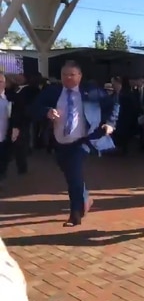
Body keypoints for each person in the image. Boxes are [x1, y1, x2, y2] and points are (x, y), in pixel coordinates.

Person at [33, 60, 119, 227]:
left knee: (74, 175)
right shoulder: (52, 91)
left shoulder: (91, 91)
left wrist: (110, 123)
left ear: (80, 76)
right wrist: (47, 112)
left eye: (72, 75)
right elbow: (34, 107)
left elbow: (113, 104)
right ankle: (85, 198)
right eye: (64, 75)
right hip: (59, 140)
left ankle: (75, 214)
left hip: (82, 140)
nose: (68, 78)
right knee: (70, 174)